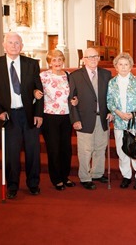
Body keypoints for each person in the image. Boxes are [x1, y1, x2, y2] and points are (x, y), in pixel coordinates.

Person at [0, 32, 43, 199]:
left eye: (17, 43)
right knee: (11, 153)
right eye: (10, 42)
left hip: (29, 114)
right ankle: (13, 185)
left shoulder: (31, 64)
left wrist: (39, 113)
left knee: (32, 151)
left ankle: (33, 183)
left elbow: (39, 90)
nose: (14, 45)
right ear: (4, 45)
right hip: (8, 116)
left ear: (22, 46)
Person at [69, 47, 113, 190]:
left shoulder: (107, 74)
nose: (93, 59)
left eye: (96, 56)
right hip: (84, 118)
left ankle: (97, 173)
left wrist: (111, 111)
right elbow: (71, 99)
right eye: (89, 57)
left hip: (102, 118)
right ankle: (85, 177)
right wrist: (75, 119)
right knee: (85, 150)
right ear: (84, 59)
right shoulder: (75, 76)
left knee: (100, 148)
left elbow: (111, 96)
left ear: (99, 58)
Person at [34, 50, 77, 191]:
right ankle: (56, 179)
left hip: (66, 116)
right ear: (49, 62)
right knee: (54, 148)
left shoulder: (68, 76)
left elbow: (74, 93)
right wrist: (34, 93)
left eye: (59, 59)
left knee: (66, 149)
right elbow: (33, 90)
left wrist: (76, 99)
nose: (57, 63)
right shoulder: (43, 76)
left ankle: (65, 176)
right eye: (54, 60)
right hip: (49, 116)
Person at [107, 53, 136, 189]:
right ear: (116, 67)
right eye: (121, 64)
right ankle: (126, 176)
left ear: (131, 67)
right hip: (120, 122)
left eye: (126, 64)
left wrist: (134, 113)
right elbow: (109, 101)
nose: (124, 67)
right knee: (122, 150)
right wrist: (117, 112)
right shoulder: (112, 83)